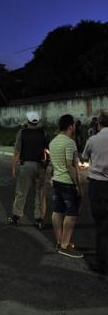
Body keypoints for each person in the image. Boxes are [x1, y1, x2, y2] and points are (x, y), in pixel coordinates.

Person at [49, 114, 83, 258]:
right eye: (74, 125)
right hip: (67, 182)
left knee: (57, 211)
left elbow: (54, 164)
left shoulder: (53, 142)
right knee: (72, 214)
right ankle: (65, 245)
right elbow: (70, 165)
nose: (74, 127)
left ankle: (59, 241)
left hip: (56, 181)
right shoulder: (69, 142)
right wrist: (78, 185)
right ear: (70, 126)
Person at [9, 111, 49, 229]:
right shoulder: (44, 133)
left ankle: (16, 217)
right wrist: (46, 164)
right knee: (40, 193)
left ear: (28, 120)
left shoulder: (22, 133)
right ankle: (39, 219)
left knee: (21, 192)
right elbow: (47, 150)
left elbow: (17, 152)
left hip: (26, 165)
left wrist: (14, 167)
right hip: (40, 166)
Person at [82, 112, 108, 275]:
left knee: (102, 226)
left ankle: (102, 264)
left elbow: (84, 157)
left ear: (98, 124)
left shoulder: (93, 140)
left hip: (98, 186)